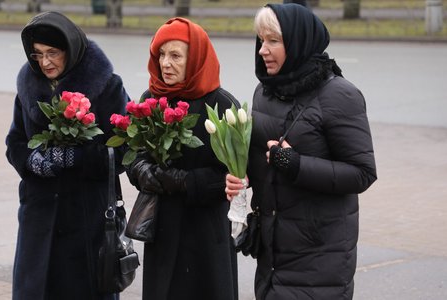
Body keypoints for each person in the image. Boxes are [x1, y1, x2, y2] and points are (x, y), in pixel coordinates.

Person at [225, 4, 377, 299]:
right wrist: (241, 176)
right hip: (272, 252)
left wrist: (295, 164)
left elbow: (362, 173)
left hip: (320, 255)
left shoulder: (340, 95)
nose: (262, 50)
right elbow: (265, 161)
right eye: (260, 40)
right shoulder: (266, 91)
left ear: (298, 41)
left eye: (273, 41)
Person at [5, 11, 129, 300]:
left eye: (53, 53)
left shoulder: (107, 86)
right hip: (39, 217)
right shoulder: (28, 85)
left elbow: (122, 149)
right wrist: (31, 160)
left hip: (86, 218)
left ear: (70, 49)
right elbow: (15, 141)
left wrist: (75, 158)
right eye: (37, 54)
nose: (45, 62)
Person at [127, 17, 239, 300]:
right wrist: (141, 170)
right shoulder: (150, 99)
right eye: (161, 54)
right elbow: (133, 155)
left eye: (176, 55)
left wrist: (186, 181)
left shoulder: (223, 105)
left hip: (205, 233)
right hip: (163, 230)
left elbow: (233, 174)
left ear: (196, 58)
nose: (165, 63)